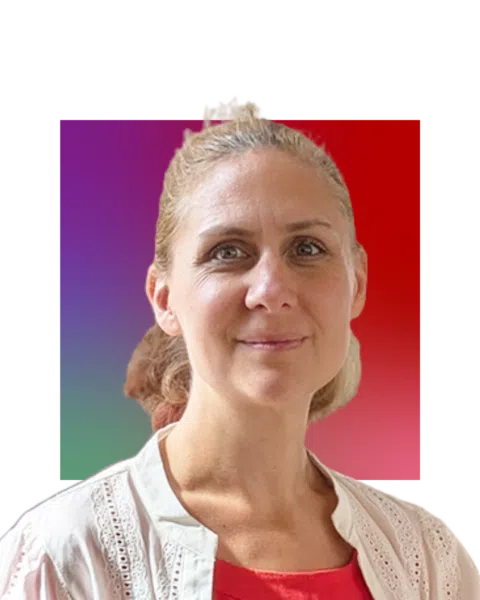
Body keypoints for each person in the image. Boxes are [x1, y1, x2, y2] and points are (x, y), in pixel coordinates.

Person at [1, 103, 478, 599]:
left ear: (356, 284)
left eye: (307, 248)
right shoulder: (63, 556)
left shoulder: (431, 558)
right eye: (227, 251)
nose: (271, 290)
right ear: (164, 299)